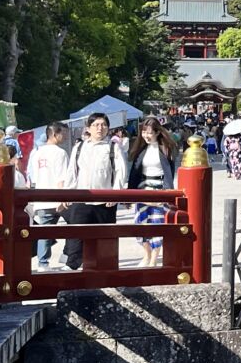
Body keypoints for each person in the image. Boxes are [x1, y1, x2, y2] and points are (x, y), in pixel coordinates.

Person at [61, 113, 129, 271]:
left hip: (105, 199)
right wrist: (67, 193)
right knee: (76, 233)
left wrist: (116, 193)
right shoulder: (79, 147)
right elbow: (72, 171)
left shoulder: (113, 147)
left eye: (104, 124)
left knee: (104, 235)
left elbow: (121, 171)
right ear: (88, 128)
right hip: (82, 197)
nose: (100, 128)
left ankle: (104, 266)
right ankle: (72, 265)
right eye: (96, 125)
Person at [128, 117, 177, 268]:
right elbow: (134, 173)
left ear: (157, 132)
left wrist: (169, 193)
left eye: (149, 132)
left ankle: (154, 258)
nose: (146, 135)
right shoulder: (140, 149)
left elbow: (170, 172)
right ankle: (146, 254)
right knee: (140, 224)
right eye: (143, 132)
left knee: (157, 223)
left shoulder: (165, 148)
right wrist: (129, 196)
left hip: (159, 189)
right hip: (142, 189)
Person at [26, 123, 70, 271]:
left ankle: (43, 262)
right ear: (55, 134)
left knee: (45, 231)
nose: (65, 136)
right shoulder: (60, 153)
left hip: (41, 195)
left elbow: (32, 176)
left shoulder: (36, 153)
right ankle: (64, 256)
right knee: (75, 225)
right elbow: (61, 177)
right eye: (63, 133)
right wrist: (62, 197)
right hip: (56, 195)